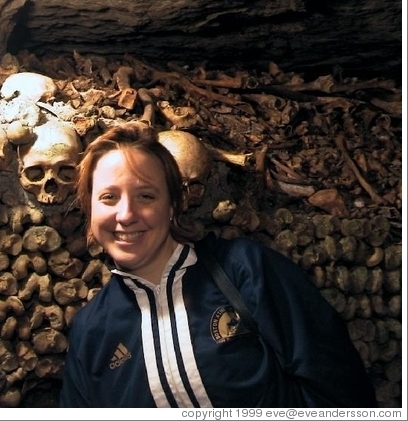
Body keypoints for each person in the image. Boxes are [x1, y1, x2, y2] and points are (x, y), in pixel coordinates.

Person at [59, 121, 378, 408]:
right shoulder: (92, 332)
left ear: (172, 204)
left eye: (146, 196)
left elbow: (341, 390)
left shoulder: (245, 270)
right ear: (89, 209)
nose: (126, 215)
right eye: (108, 198)